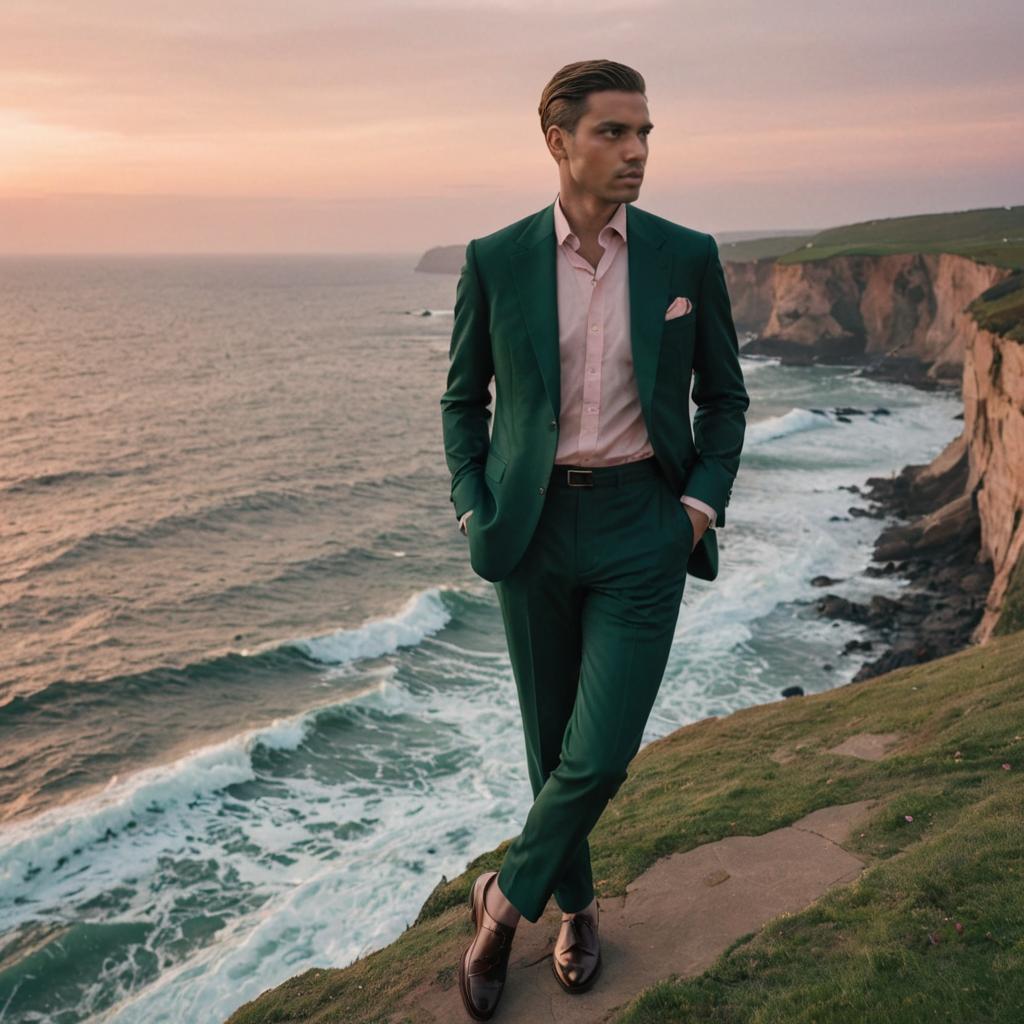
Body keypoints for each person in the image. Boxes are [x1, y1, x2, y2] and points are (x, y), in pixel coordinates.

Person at [439, 58, 749, 1020]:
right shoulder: (495, 258)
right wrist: (469, 503)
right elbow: (464, 399)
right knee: (550, 744)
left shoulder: (684, 255)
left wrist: (696, 508)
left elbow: (724, 398)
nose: (636, 151)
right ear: (557, 141)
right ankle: (576, 911)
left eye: (645, 132)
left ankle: (503, 908)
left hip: (641, 527)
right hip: (530, 531)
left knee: (603, 747)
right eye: (614, 132)